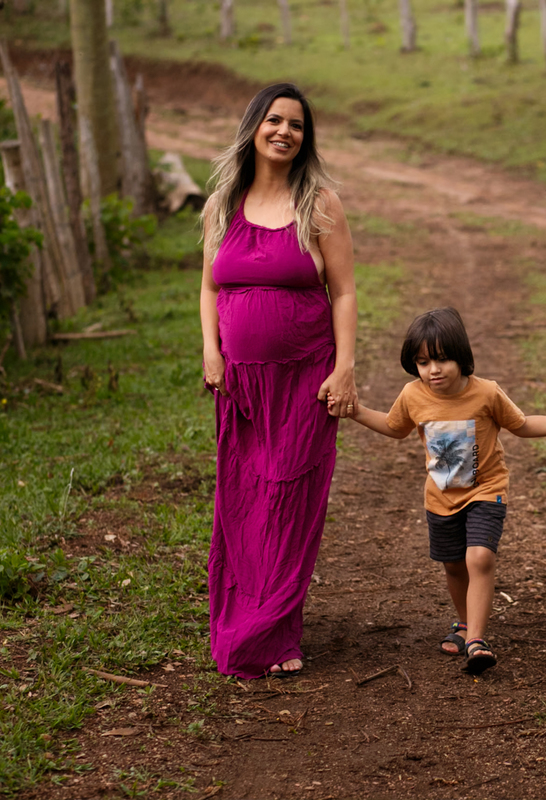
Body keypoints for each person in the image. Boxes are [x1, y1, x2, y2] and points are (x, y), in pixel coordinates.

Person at [199, 83, 357, 679]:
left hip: (304, 381)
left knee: (290, 500)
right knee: (242, 501)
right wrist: (210, 352)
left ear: (305, 137)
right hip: (240, 385)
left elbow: (342, 291)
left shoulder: (319, 204)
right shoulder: (222, 204)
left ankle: (276, 631)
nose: (284, 131)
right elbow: (211, 287)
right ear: (254, 128)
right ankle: (243, 619)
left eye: (295, 124)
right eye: (273, 120)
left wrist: (344, 367)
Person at [330, 307, 546, 675]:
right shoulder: (413, 395)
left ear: (461, 357)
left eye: (442, 359)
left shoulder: (486, 393)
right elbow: (393, 426)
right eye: (423, 362)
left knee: (478, 557)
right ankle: (465, 624)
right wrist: (354, 411)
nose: (433, 370)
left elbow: (523, 424)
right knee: (453, 565)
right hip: (441, 498)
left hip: (486, 490)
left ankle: (478, 640)